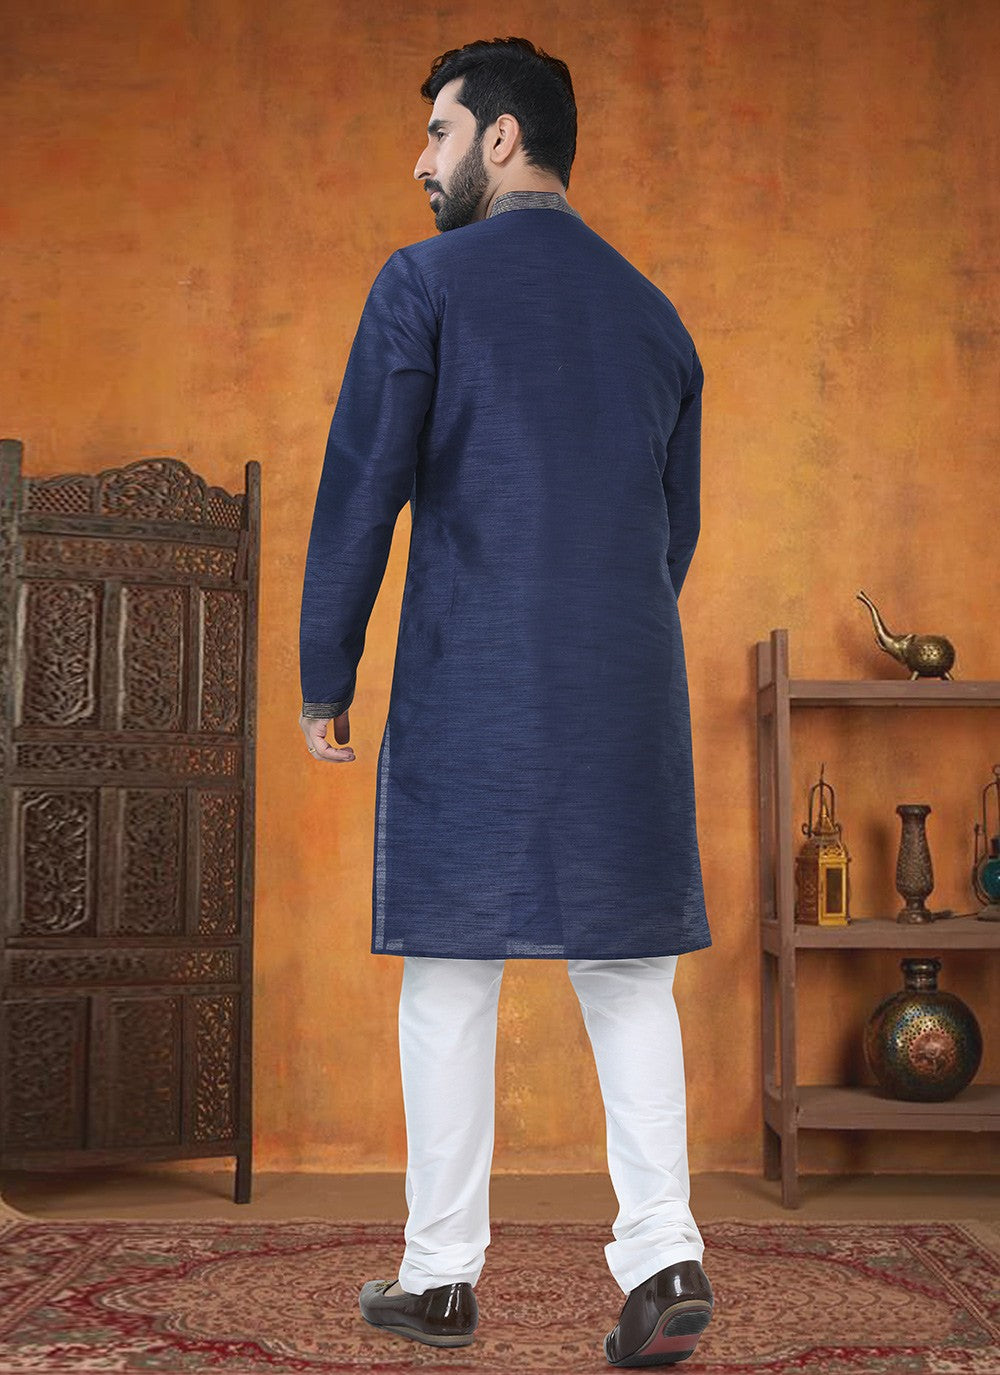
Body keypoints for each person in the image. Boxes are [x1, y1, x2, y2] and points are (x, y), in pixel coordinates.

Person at [298, 36, 714, 1367]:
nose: (420, 162)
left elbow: (361, 489)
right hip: (627, 689)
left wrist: (326, 670)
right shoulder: (657, 317)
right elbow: (671, 537)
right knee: (630, 975)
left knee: (449, 973)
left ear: (501, 137)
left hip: (473, 678)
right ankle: (667, 1258)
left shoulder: (423, 283)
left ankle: (440, 1280)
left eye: (437, 131)